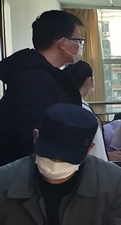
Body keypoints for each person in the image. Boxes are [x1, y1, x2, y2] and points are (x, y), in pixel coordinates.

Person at [0, 10, 83, 166]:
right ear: (63, 43)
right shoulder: (31, 78)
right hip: (32, 171)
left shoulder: (49, 75)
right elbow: (33, 135)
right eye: (78, 40)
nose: (80, 45)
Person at [64, 61, 107, 161]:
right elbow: (96, 146)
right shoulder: (83, 110)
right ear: (89, 80)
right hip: (91, 164)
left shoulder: (63, 106)